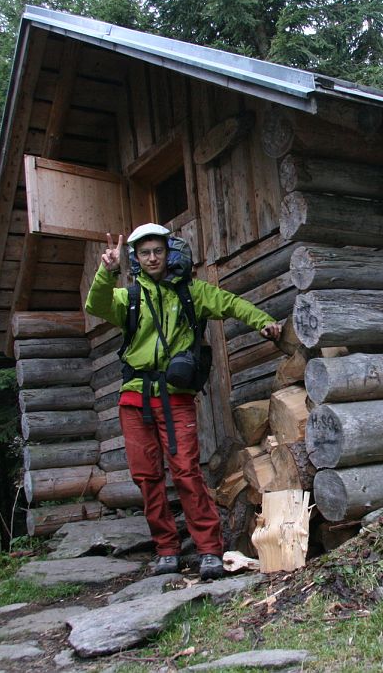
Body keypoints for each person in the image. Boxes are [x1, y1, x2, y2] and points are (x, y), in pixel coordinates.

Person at [86, 223, 281, 578]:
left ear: (168, 251)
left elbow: (231, 304)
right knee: (146, 477)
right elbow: (95, 304)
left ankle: (209, 549)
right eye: (144, 253)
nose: (151, 258)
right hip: (134, 398)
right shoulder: (128, 298)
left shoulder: (191, 293)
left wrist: (263, 321)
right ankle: (166, 549)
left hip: (175, 396)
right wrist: (106, 271)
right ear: (136, 258)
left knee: (187, 471)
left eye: (157, 251)